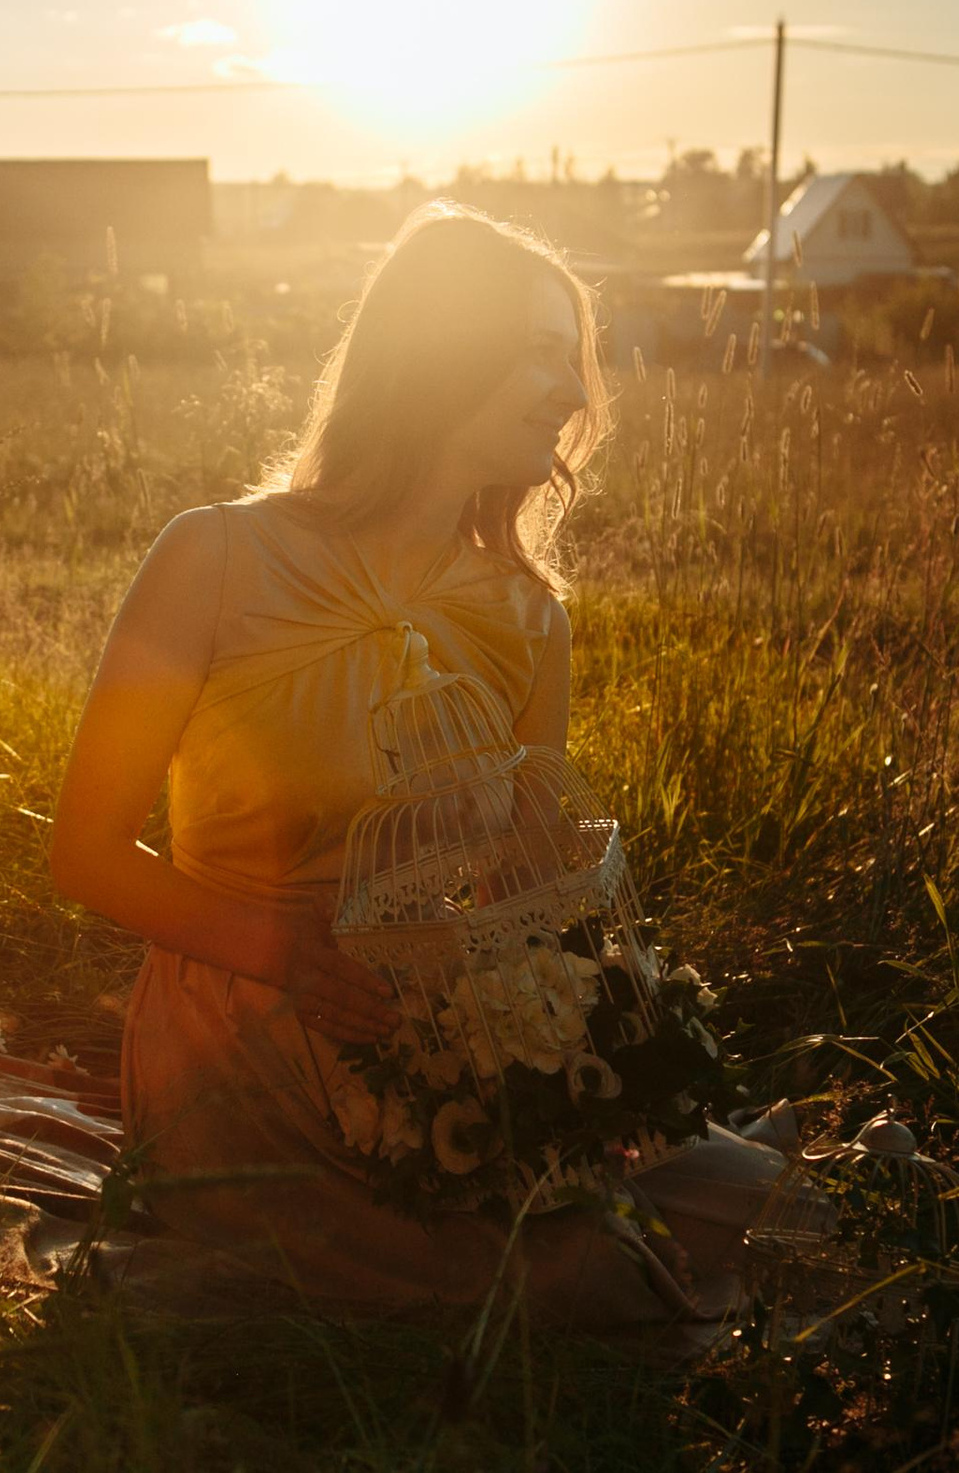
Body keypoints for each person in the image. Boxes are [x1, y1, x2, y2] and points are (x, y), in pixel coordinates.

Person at [49, 202, 785, 1325]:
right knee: (564, 1277)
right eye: (542, 352)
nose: (577, 393)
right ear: (443, 356)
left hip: (434, 1035)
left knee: (780, 1210)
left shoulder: (530, 621)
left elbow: (519, 887)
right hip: (235, 1039)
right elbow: (86, 851)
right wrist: (283, 949)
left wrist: (580, 986)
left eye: (573, 359)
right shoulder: (213, 556)